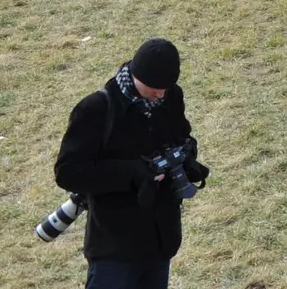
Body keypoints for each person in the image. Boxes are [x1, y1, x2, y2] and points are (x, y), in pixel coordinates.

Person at [53, 38, 202, 289]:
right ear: (134, 75)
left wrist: (187, 158)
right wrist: (132, 172)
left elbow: (182, 134)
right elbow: (68, 172)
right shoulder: (95, 109)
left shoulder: (170, 96)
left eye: (166, 87)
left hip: (160, 238)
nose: (160, 94)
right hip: (115, 245)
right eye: (153, 87)